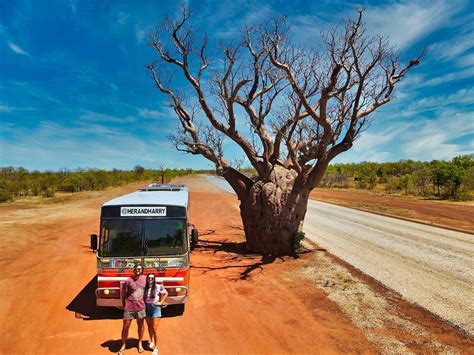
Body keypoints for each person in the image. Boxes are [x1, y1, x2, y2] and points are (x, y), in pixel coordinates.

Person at [118, 263, 147, 355]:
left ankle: (140, 343)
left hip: (141, 306)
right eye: (136, 268)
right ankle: (123, 345)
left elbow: (149, 290)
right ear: (133, 270)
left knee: (141, 325)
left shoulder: (146, 279)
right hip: (129, 306)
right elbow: (123, 292)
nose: (137, 270)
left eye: (139, 269)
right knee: (125, 327)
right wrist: (123, 303)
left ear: (142, 270)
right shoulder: (128, 280)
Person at [144, 273, 168, 355]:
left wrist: (161, 302)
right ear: (147, 279)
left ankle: (156, 348)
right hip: (147, 308)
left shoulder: (158, 286)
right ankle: (151, 341)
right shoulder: (145, 287)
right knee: (149, 326)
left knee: (155, 328)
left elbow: (166, 293)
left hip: (155, 308)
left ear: (154, 279)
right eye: (149, 278)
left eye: (152, 278)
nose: (150, 279)